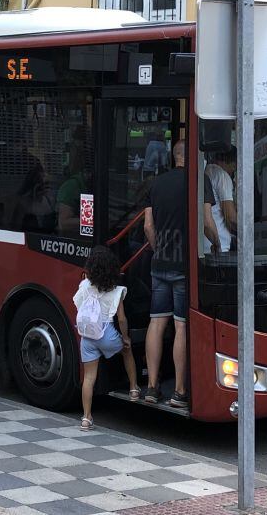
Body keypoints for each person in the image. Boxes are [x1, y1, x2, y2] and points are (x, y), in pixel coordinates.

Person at [143, 140, 219, 409]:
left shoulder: (156, 184)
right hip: (183, 267)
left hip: (159, 264)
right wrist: (218, 244)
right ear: (192, 157)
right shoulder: (199, 182)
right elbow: (207, 223)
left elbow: (148, 226)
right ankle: (179, 391)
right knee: (181, 325)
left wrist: (157, 249)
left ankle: (151, 387)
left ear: (173, 157)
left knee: (156, 322)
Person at [75, 246, 139, 431]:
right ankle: (134, 389)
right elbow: (121, 318)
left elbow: (79, 305)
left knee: (89, 377)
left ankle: (86, 418)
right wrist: (125, 337)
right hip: (106, 334)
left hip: (88, 336)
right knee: (127, 351)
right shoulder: (116, 290)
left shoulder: (85, 285)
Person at [204, 147, 237, 253]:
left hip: (203, 243)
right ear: (232, 163)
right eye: (234, 167)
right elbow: (231, 217)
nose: (233, 171)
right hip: (218, 246)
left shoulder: (206, 171)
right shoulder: (222, 176)